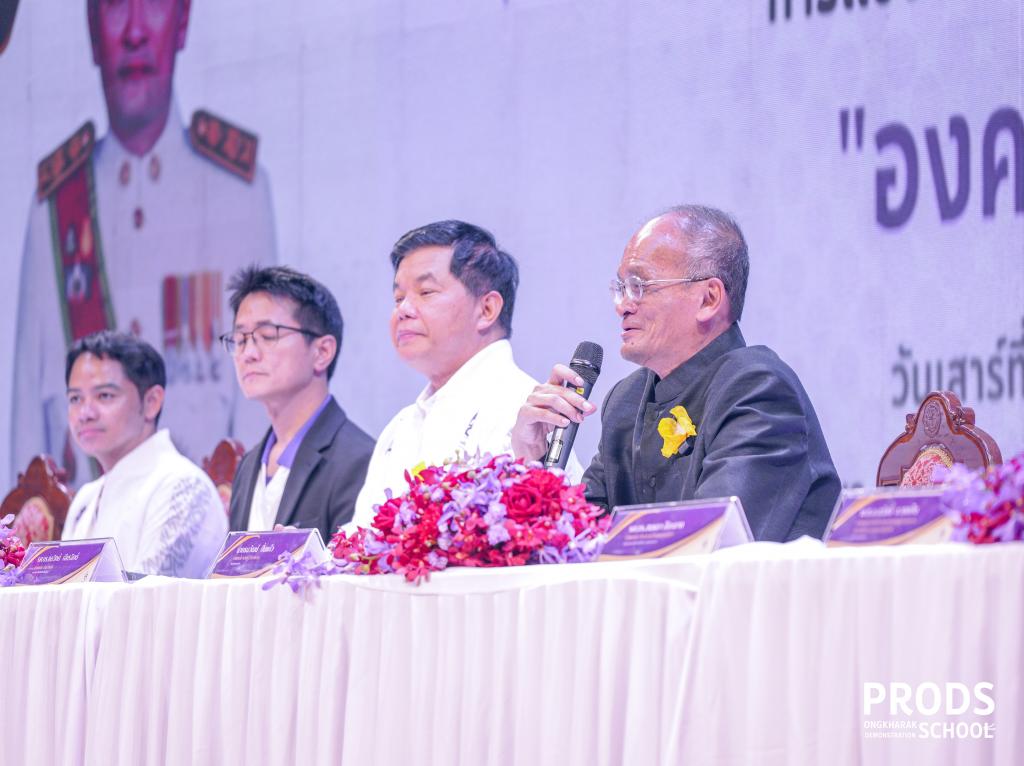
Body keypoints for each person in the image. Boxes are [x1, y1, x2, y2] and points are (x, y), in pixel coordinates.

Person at [12, 0, 275, 486]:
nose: (134, 31)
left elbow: (258, 403)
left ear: (183, 20)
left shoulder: (236, 190)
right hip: (88, 519)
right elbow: (30, 416)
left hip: (208, 520)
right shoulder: (54, 205)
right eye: (115, 6)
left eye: (152, 4)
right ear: (92, 30)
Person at [511, 205, 841, 541]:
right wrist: (533, 460)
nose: (622, 305)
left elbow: (713, 541)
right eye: (621, 287)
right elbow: (577, 538)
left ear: (709, 299)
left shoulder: (758, 387)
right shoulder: (625, 400)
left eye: (640, 285)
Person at [348, 220, 582, 531]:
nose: (403, 310)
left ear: (487, 309)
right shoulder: (398, 428)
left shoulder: (528, 412)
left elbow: (561, 535)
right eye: (398, 298)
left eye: (425, 292)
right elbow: (360, 540)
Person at [224, 266, 374, 543]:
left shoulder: (359, 461)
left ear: (322, 352)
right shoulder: (248, 466)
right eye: (240, 339)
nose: (248, 353)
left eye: (267, 335)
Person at [62, 331, 226, 577]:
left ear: (151, 402)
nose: (85, 413)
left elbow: (149, 597)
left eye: (104, 396)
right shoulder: (85, 498)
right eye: (75, 398)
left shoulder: (184, 488)